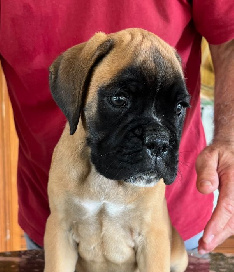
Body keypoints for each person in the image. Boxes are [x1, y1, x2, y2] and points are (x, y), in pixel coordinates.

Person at [0, 0, 234, 253]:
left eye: (177, 107)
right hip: (56, 213)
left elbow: (230, 37)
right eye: (119, 100)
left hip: (169, 218)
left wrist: (230, 139)